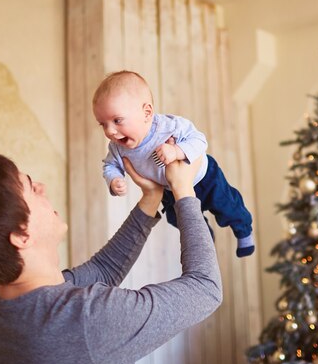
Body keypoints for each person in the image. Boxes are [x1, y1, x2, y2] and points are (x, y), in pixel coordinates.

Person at [0, 152, 222, 364]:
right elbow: (206, 288)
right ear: (21, 235)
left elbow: (103, 270)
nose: (42, 187)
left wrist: (150, 199)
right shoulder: (87, 319)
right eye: (30, 187)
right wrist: (184, 192)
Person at [93, 70, 255, 257]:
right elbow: (110, 166)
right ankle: (205, 237)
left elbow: (199, 140)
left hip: (204, 177)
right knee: (178, 220)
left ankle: (243, 231)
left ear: (147, 112)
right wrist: (114, 180)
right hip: (169, 192)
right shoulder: (118, 148)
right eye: (103, 124)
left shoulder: (169, 127)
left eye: (117, 120)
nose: (110, 131)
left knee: (227, 206)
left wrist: (176, 151)